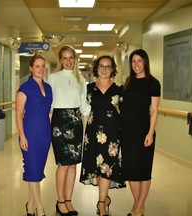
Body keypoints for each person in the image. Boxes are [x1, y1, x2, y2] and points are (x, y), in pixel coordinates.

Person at [47, 45, 90, 216]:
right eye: (64, 58)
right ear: (60, 60)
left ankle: (68, 200)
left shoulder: (81, 80)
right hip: (59, 121)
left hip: (76, 121)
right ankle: (60, 201)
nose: (68, 61)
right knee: (63, 164)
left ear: (75, 59)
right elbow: (47, 102)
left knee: (73, 165)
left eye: (71, 57)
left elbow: (84, 105)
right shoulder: (52, 78)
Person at [79, 55, 125, 216]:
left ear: (113, 69)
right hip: (92, 133)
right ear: (96, 68)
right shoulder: (88, 88)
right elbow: (80, 106)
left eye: (108, 66)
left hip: (112, 133)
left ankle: (101, 204)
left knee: (107, 167)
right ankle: (104, 198)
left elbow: (127, 112)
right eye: (101, 66)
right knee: (98, 167)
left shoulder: (120, 88)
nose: (104, 69)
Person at [120, 49, 161, 216]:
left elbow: (155, 110)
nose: (136, 64)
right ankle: (138, 205)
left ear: (145, 62)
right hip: (127, 133)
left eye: (139, 61)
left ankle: (138, 206)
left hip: (144, 132)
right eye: (133, 61)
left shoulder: (153, 83)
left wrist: (150, 132)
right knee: (131, 170)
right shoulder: (128, 82)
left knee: (143, 170)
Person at [15, 55, 52, 216]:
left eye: (43, 66)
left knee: (36, 171)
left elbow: (48, 110)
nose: (41, 69)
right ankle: (40, 208)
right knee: (32, 170)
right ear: (31, 68)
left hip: (45, 133)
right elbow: (18, 114)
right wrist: (22, 136)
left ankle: (29, 206)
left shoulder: (49, 88)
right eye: (37, 66)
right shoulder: (24, 88)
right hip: (30, 133)